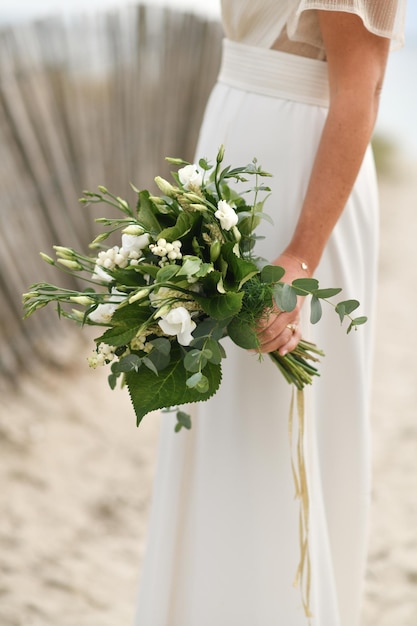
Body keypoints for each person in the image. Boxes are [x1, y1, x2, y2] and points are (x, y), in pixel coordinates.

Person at [134, 2, 407, 625]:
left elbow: (360, 90)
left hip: (296, 191)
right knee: (218, 414)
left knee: (274, 423)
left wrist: (300, 257)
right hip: (233, 159)